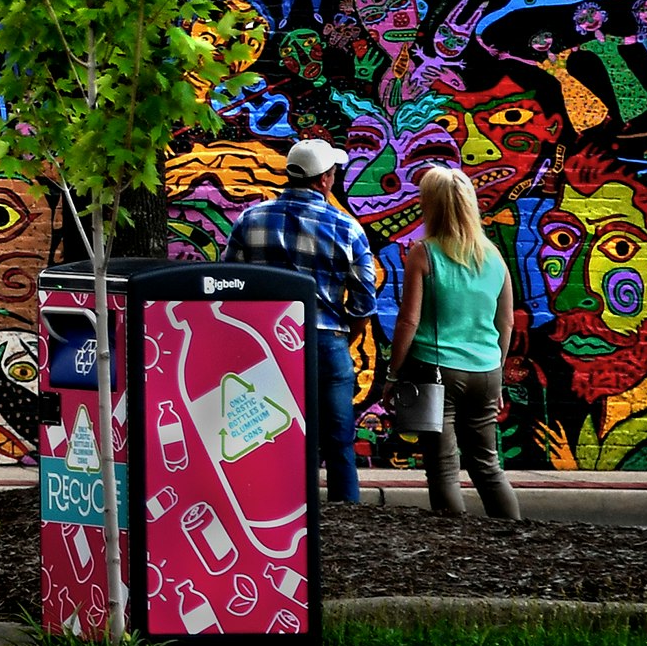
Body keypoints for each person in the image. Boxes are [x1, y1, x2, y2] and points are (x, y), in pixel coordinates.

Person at [221, 137, 377, 503]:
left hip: (263, 342)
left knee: (267, 434)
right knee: (339, 439)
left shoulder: (250, 219)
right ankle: (345, 516)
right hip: (326, 341)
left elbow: (228, 282)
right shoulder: (347, 229)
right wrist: (345, 335)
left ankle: (271, 507)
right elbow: (363, 302)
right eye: (333, 173)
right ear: (323, 179)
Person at [388, 165, 523, 519]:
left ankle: (455, 545)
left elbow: (408, 321)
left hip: (436, 373)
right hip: (486, 372)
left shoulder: (424, 253)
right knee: (488, 466)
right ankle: (516, 538)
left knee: (444, 467)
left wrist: (392, 374)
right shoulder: (494, 257)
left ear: (430, 205)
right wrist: (496, 372)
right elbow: (506, 322)